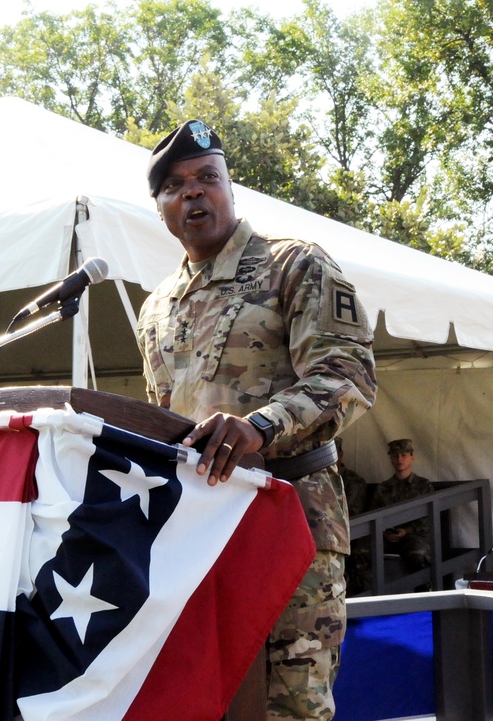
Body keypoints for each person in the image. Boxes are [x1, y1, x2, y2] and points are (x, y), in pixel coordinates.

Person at [136, 119, 377, 720]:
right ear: (161, 206)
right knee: (201, 698)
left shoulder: (293, 265)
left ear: (230, 188)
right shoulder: (157, 307)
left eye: (207, 178)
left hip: (287, 514)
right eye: (176, 186)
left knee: (289, 706)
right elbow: (163, 417)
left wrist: (260, 426)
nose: (194, 193)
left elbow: (348, 377)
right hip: (194, 528)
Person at [370, 439, 434, 569]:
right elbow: (373, 514)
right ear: (391, 459)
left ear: (412, 458)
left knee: (418, 553)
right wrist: (384, 532)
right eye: (395, 456)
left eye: (403, 455)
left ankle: (423, 587)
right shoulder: (383, 488)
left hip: (416, 536)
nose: (399, 459)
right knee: (362, 551)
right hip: (387, 537)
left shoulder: (423, 486)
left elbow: (428, 518)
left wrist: (406, 531)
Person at [335, 438, 367, 518]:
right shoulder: (317, 478)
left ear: (341, 454)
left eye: (334, 455)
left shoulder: (354, 481)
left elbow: (352, 515)